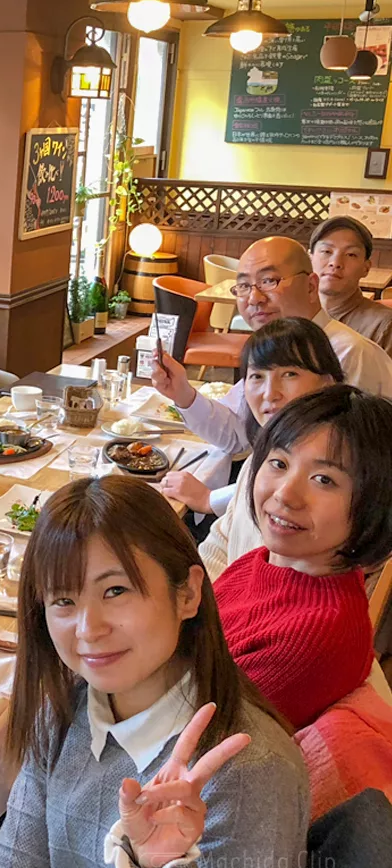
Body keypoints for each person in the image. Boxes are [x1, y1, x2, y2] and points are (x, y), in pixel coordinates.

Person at [0, 475, 309, 868]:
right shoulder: (66, 706)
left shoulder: (251, 770)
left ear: (187, 594)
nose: (88, 629)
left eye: (116, 591)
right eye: (63, 600)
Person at [212, 385, 392, 730]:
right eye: (279, 463)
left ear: (375, 504)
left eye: (323, 479)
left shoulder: (317, 636)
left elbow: (204, 736)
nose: (285, 494)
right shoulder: (264, 561)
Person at [152, 236, 392, 457]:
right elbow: (237, 433)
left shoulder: (347, 353)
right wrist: (182, 393)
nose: (254, 298)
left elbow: (336, 469)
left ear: (310, 286)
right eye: (244, 286)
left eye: (268, 281)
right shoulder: (273, 349)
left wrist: (211, 500)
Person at [158, 318, 343, 581]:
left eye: (290, 374)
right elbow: (222, 538)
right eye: (257, 376)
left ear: (328, 383)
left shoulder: (328, 474)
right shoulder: (264, 456)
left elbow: (284, 582)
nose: (270, 393)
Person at [309, 216, 392, 354]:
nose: (335, 262)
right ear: (309, 259)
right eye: (326, 251)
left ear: (366, 268)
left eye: (351, 254)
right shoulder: (289, 314)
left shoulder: (382, 326)